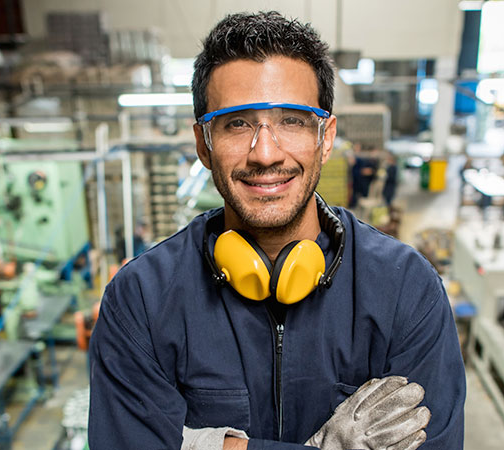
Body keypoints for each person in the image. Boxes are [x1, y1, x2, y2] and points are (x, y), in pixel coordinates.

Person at [89, 11, 465, 450]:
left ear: (325, 138)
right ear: (202, 145)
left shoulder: (405, 289)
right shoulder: (143, 299)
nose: (265, 153)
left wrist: (210, 445)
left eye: (292, 120)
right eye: (237, 123)